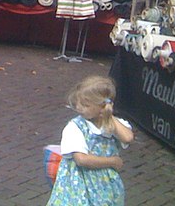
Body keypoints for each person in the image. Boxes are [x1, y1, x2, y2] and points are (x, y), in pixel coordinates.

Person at [47, 75, 134, 206]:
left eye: (85, 105)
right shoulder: (74, 127)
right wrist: (112, 161)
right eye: (77, 103)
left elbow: (127, 138)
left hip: (104, 186)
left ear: (101, 107)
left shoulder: (111, 126)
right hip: (77, 186)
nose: (79, 108)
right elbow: (81, 159)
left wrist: (109, 116)